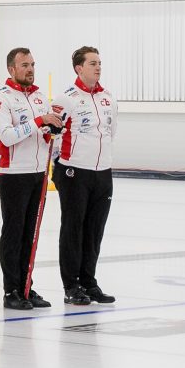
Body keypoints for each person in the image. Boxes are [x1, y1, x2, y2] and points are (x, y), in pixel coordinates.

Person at [0, 47, 62, 310]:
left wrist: (53, 130)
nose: (30, 69)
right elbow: (7, 136)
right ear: (11, 69)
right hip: (13, 175)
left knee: (30, 233)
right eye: (24, 65)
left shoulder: (40, 96)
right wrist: (39, 121)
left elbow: (45, 133)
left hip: (38, 173)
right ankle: (11, 290)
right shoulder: (1, 98)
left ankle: (27, 285)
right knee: (14, 232)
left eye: (32, 64)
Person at [51, 45, 118, 304]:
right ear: (79, 68)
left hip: (102, 172)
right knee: (73, 229)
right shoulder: (65, 98)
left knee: (94, 230)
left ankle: (89, 282)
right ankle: (71, 285)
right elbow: (53, 136)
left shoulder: (108, 98)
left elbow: (112, 133)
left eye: (99, 62)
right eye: (92, 63)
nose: (98, 67)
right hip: (74, 171)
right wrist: (64, 165)